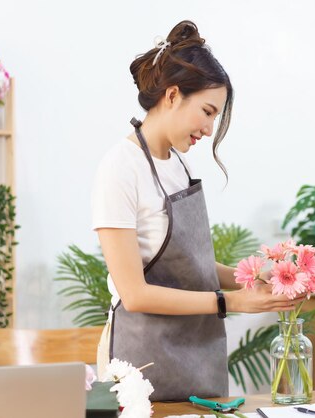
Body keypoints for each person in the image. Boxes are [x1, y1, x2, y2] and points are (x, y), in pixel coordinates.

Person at [92, 20, 303, 401]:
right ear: (172, 95)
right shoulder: (120, 167)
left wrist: (252, 276)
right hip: (135, 366)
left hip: (196, 355)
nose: (209, 129)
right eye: (207, 111)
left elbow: (193, 267)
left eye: (215, 118)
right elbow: (135, 294)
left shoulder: (178, 165)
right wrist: (231, 302)